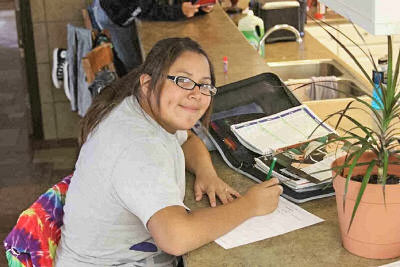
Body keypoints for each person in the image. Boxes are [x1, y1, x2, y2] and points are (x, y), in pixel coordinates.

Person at [55, 37, 282, 266]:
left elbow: (188, 139)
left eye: (204, 85)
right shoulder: (139, 147)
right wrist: (249, 205)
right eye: (183, 80)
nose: (196, 94)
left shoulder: (142, 112)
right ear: (146, 85)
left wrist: (207, 173)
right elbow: (176, 237)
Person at [91, 0, 214, 72]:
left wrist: (198, 5)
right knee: (134, 64)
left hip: (135, 8)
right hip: (118, 16)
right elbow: (145, 9)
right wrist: (179, 11)